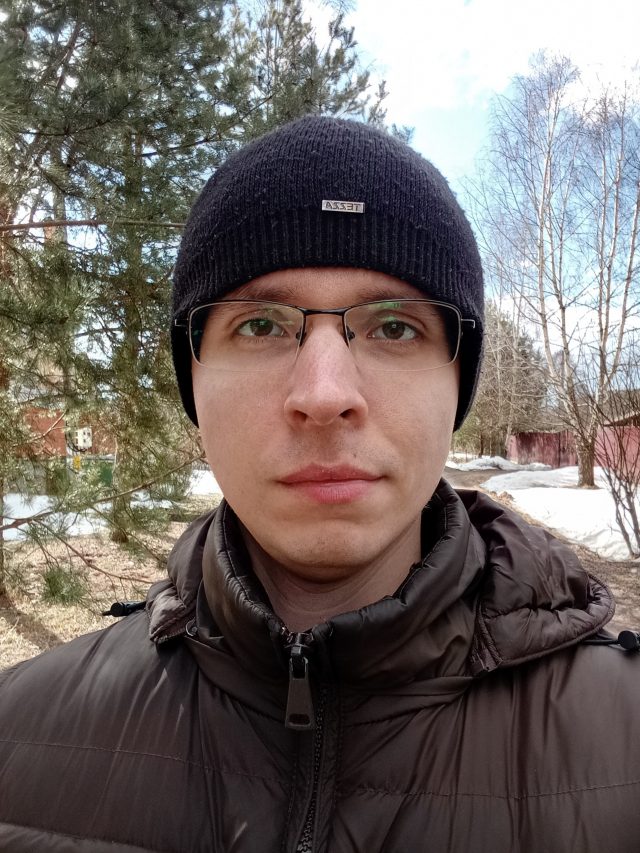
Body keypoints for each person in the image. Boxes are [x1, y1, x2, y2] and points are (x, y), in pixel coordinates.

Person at [0, 116, 638, 853]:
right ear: (192, 379)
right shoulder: (16, 745)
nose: (325, 394)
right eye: (261, 326)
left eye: (394, 327)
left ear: (457, 386)